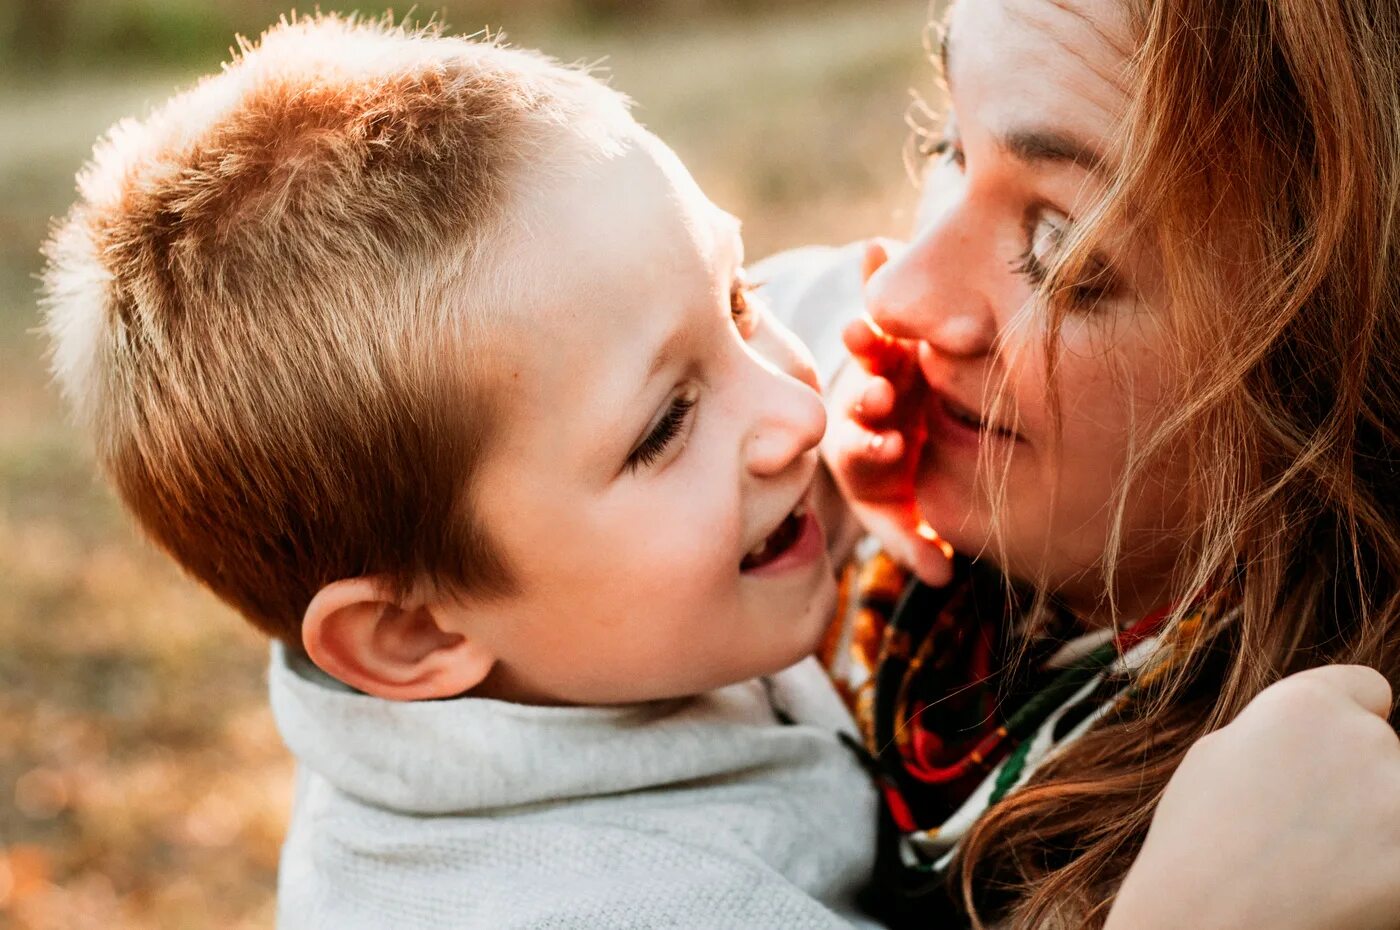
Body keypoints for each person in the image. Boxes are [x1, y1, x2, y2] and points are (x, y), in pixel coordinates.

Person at [39, 10, 1399, 930]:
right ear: (408, 629)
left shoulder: (568, 601)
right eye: (945, 145)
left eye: (1066, 245)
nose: (806, 402)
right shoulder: (605, 902)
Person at [773, 0, 1400, 927]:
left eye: (1063, 245)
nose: (900, 292)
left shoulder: (1329, 843)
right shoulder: (800, 446)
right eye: (949, 145)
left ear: (1329, 347)